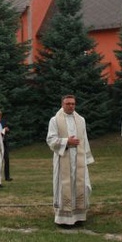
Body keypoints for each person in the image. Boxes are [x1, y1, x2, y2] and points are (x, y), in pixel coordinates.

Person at [46, 95, 94, 227]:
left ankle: (78, 216)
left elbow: (84, 139)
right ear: (62, 104)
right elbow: (50, 140)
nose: (71, 106)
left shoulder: (81, 120)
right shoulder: (55, 120)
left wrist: (86, 158)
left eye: (73, 104)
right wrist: (67, 141)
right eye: (68, 104)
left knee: (82, 186)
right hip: (64, 158)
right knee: (64, 186)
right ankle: (64, 219)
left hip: (78, 159)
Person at [0, 109, 12, 181]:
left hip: (4, 143)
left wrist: (7, 129)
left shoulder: (3, 122)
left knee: (6, 159)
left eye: (0, 116)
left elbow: (7, 130)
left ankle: (7, 177)